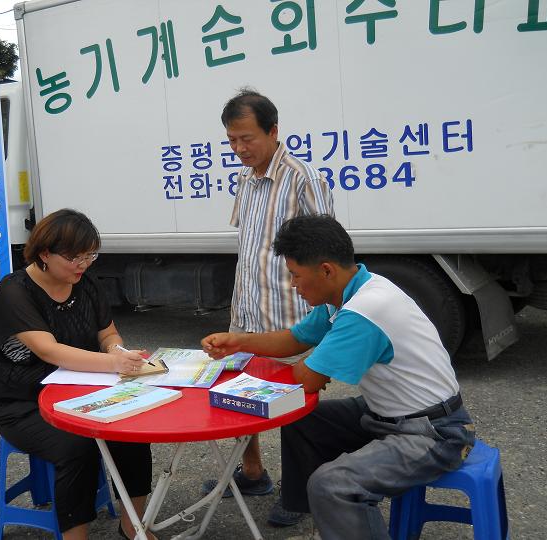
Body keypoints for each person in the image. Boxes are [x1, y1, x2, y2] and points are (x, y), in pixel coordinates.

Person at [201, 215, 475, 538]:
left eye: (295, 275)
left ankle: (331, 505)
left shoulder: (365, 309)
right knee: (299, 418)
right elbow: (295, 339)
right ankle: (313, 514)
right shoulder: (347, 292)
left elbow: (306, 379)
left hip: (433, 433)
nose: (293, 285)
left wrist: (313, 366)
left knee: (332, 485)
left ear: (326, 270)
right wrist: (239, 341)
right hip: (387, 414)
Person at [203, 88, 334, 511]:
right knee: (240, 393)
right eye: (232, 141)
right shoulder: (245, 179)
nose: (239, 149)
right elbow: (251, 245)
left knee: (300, 403)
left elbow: (324, 252)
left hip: (292, 314)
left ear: (274, 131)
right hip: (247, 308)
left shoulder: (303, 178)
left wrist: (324, 315)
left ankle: (303, 495)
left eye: (247, 138)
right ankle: (253, 473)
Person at [0, 209, 155, 540]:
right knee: (76, 445)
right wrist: (113, 365)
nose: (83, 264)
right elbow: (49, 351)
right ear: (44, 253)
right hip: (26, 403)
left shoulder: (86, 282)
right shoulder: (15, 290)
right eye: (74, 257)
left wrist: (117, 352)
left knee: (131, 433)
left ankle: (134, 526)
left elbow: (108, 334)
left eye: (89, 255)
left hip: (83, 391)